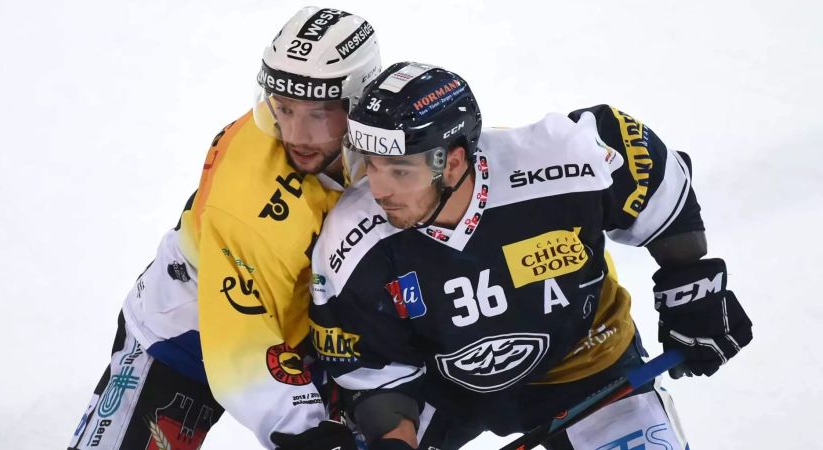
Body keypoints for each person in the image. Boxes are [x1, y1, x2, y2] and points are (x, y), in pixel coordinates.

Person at [308, 62, 753, 450]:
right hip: (441, 390)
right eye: (371, 163)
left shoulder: (564, 162)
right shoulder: (352, 240)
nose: (378, 188)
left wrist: (692, 285)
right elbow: (375, 375)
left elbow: (653, 175)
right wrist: (393, 443)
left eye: (400, 170)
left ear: (456, 162)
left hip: (585, 362)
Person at [68, 7, 381, 450]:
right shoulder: (247, 204)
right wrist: (306, 434)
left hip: (314, 328)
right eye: (285, 108)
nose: (295, 134)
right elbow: (240, 344)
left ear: (361, 100)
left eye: (318, 114)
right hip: (187, 336)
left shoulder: (388, 134)